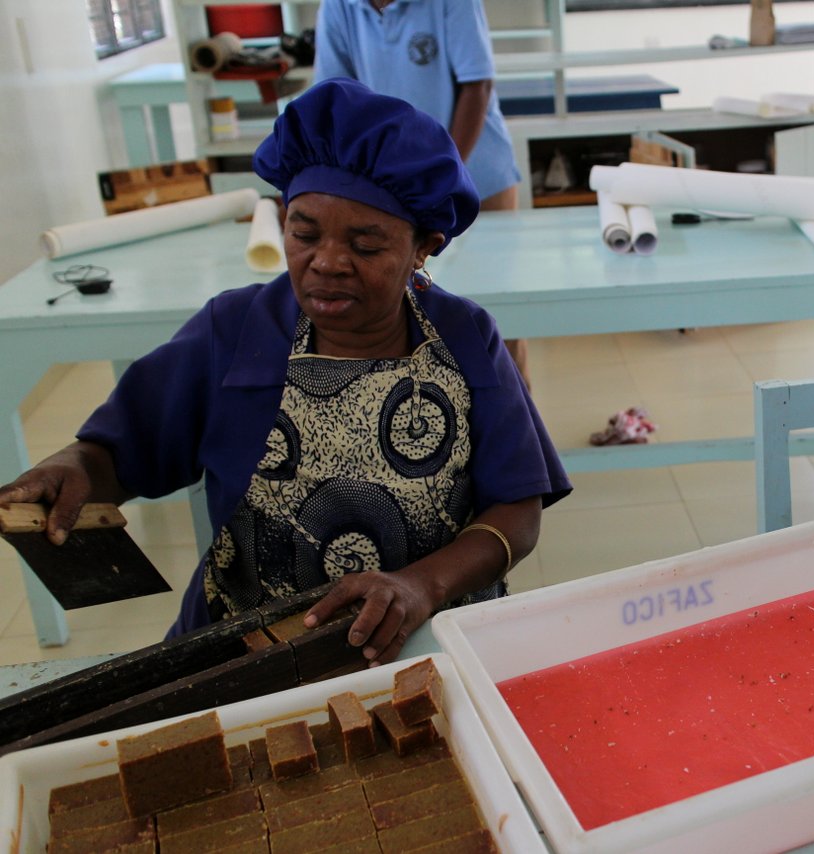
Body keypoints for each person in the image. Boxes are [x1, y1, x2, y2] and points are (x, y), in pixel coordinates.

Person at [0, 78, 570, 665]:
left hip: (430, 642)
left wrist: (422, 584)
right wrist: (74, 465)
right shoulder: (235, 330)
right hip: (248, 646)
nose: (326, 261)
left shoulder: (464, 337)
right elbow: (120, 454)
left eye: (366, 245)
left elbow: (518, 511)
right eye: (303, 233)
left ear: (424, 246)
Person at [312, 0, 531, 389]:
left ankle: (518, 428)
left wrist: (445, 179)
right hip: (394, 192)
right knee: (412, 319)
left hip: (477, 178)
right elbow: (335, 96)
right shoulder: (340, 6)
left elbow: (476, 85)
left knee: (499, 315)